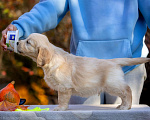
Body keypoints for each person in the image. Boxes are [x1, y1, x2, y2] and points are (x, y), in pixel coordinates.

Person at [0, 0, 149, 105]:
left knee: (125, 115)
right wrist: (20, 27)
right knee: (80, 116)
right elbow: (50, 7)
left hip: (128, 65)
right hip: (80, 69)